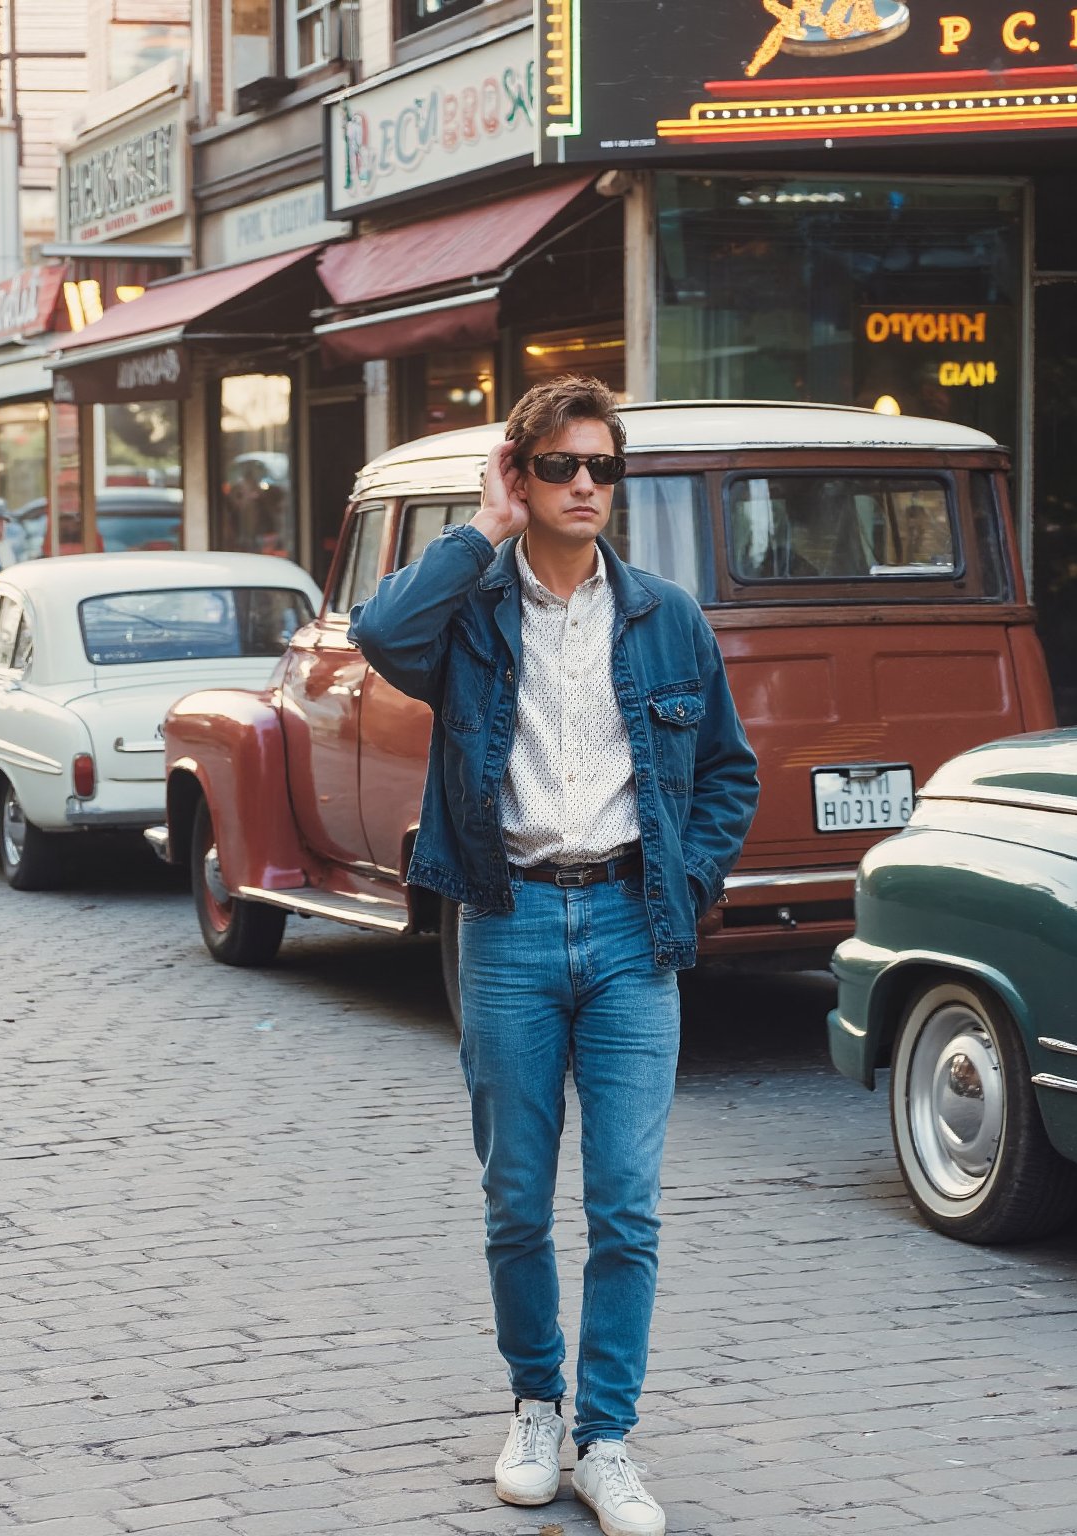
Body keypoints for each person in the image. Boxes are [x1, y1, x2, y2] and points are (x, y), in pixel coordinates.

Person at [349, 376, 759, 1536]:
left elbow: (730, 772)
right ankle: (536, 1404)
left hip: (635, 931)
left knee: (626, 1209)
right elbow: (380, 633)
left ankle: (606, 1438)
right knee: (518, 1201)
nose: (587, 486)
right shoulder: (473, 615)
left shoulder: (667, 616)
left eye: (604, 469)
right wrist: (479, 524)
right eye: (563, 466)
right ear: (521, 475)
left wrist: (685, 879)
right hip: (510, 923)